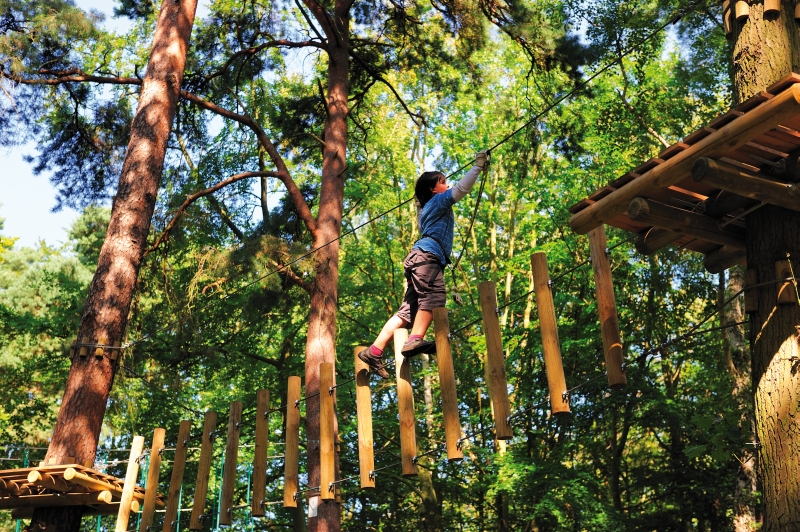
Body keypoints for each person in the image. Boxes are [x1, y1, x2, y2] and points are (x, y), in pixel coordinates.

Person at [358, 150, 489, 378]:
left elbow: (423, 205)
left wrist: (419, 200)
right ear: (433, 189)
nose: (448, 186)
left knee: (407, 312)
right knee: (434, 298)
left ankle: (375, 350)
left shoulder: (425, 211)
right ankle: (414, 340)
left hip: (419, 258)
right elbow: (461, 190)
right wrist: (476, 167)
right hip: (427, 259)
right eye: (443, 182)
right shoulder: (439, 202)